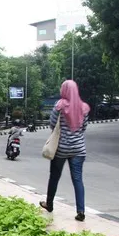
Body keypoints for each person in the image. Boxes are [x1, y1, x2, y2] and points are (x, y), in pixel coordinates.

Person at [40, 80, 90, 221]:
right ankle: (81, 211)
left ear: (64, 90)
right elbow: (84, 127)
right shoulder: (84, 107)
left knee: (54, 177)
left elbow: (52, 124)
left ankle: (49, 204)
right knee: (78, 179)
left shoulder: (59, 105)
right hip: (78, 149)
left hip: (60, 149)